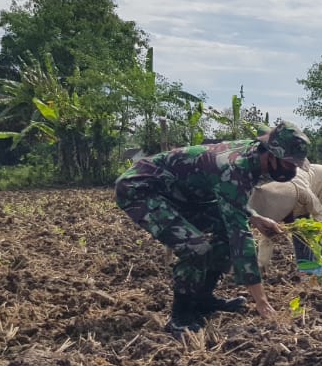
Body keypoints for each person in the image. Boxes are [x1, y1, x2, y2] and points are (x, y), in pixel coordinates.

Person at [115, 121, 311, 335]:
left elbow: (229, 199)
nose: (292, 169)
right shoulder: (237, 165)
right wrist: (261, 301)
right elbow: (240, 237)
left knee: (224, 232)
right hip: (140, 190)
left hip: (180, 194)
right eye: (289, 163)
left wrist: (254, 217)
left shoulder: (253, 158)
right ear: (272, 154)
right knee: (195, 247)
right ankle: (180, 316)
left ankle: (202, 299)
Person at [249, 162, 322, 279]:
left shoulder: (302, 192)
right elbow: (267, 237)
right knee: (299, 232)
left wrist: (319, 235)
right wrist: (261, 265)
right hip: (301, 199)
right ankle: (306, 270)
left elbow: (319, 214)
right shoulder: (273, 200)